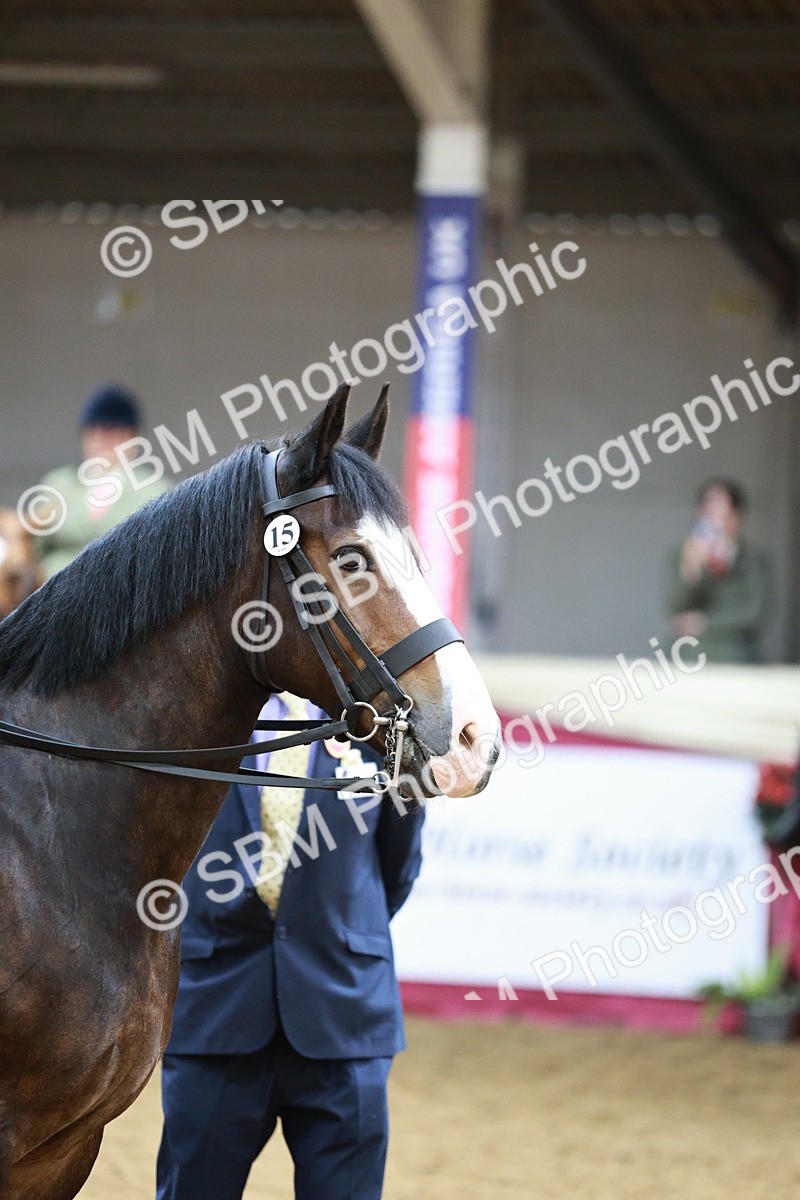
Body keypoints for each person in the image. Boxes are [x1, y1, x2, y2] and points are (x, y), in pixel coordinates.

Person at [156, 691, 424, 1200]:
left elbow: (400, 860)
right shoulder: (192, 710)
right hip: (216, 1010)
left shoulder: (378, 728)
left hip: (343, 1011)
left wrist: (333, 928)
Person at [34, 383, 170, 578]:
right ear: (85, 437)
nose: (105, 441)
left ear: (134, 437)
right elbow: (31, 546)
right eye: (97, 432)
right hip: (55, 591)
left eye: (116, 433)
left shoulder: (156, 490)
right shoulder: (57, 485)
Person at [666, 478, 772, 663]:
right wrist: (692, 570)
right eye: (710, 514)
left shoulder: (754, 560)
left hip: (737, 657)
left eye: (724, 515)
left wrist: (704, 623)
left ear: (737, 517)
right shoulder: (681, 554)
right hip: (690, 657)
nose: (716, 523)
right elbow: (675, 608)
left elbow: (753, 613)